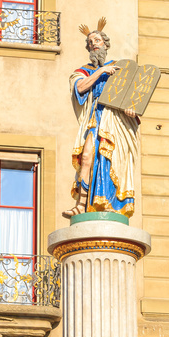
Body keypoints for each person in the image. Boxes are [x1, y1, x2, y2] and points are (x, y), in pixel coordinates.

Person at [63, 20, 139, 218]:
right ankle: (81, 205)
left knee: (112, 160)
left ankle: (108, 203)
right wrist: (100, 72)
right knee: (86, 156)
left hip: (114, 120)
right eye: (90, 42)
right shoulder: (84, 70)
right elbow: (79, 88)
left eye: (97, 40)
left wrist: (132, 111)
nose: (93, 44)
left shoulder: (119, 68)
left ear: (105, 44)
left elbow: (131, 97)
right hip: (94, 117)